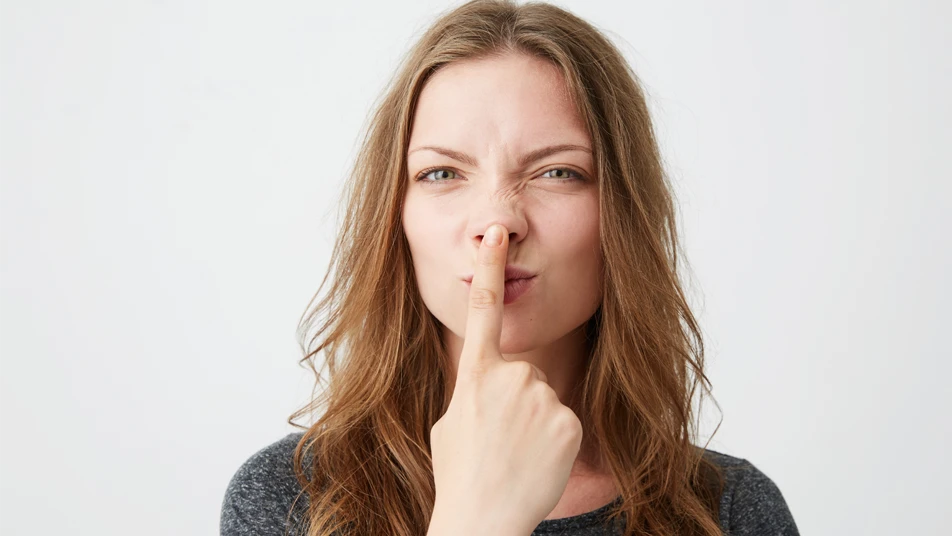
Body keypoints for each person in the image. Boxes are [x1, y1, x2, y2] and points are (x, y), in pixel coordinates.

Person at [220, 1, 799, 535]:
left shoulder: (731, 511)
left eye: (557, 173)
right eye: (442, 173)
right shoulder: (292, 500)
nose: (498, 223)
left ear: (622, 214)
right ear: (396, 217)